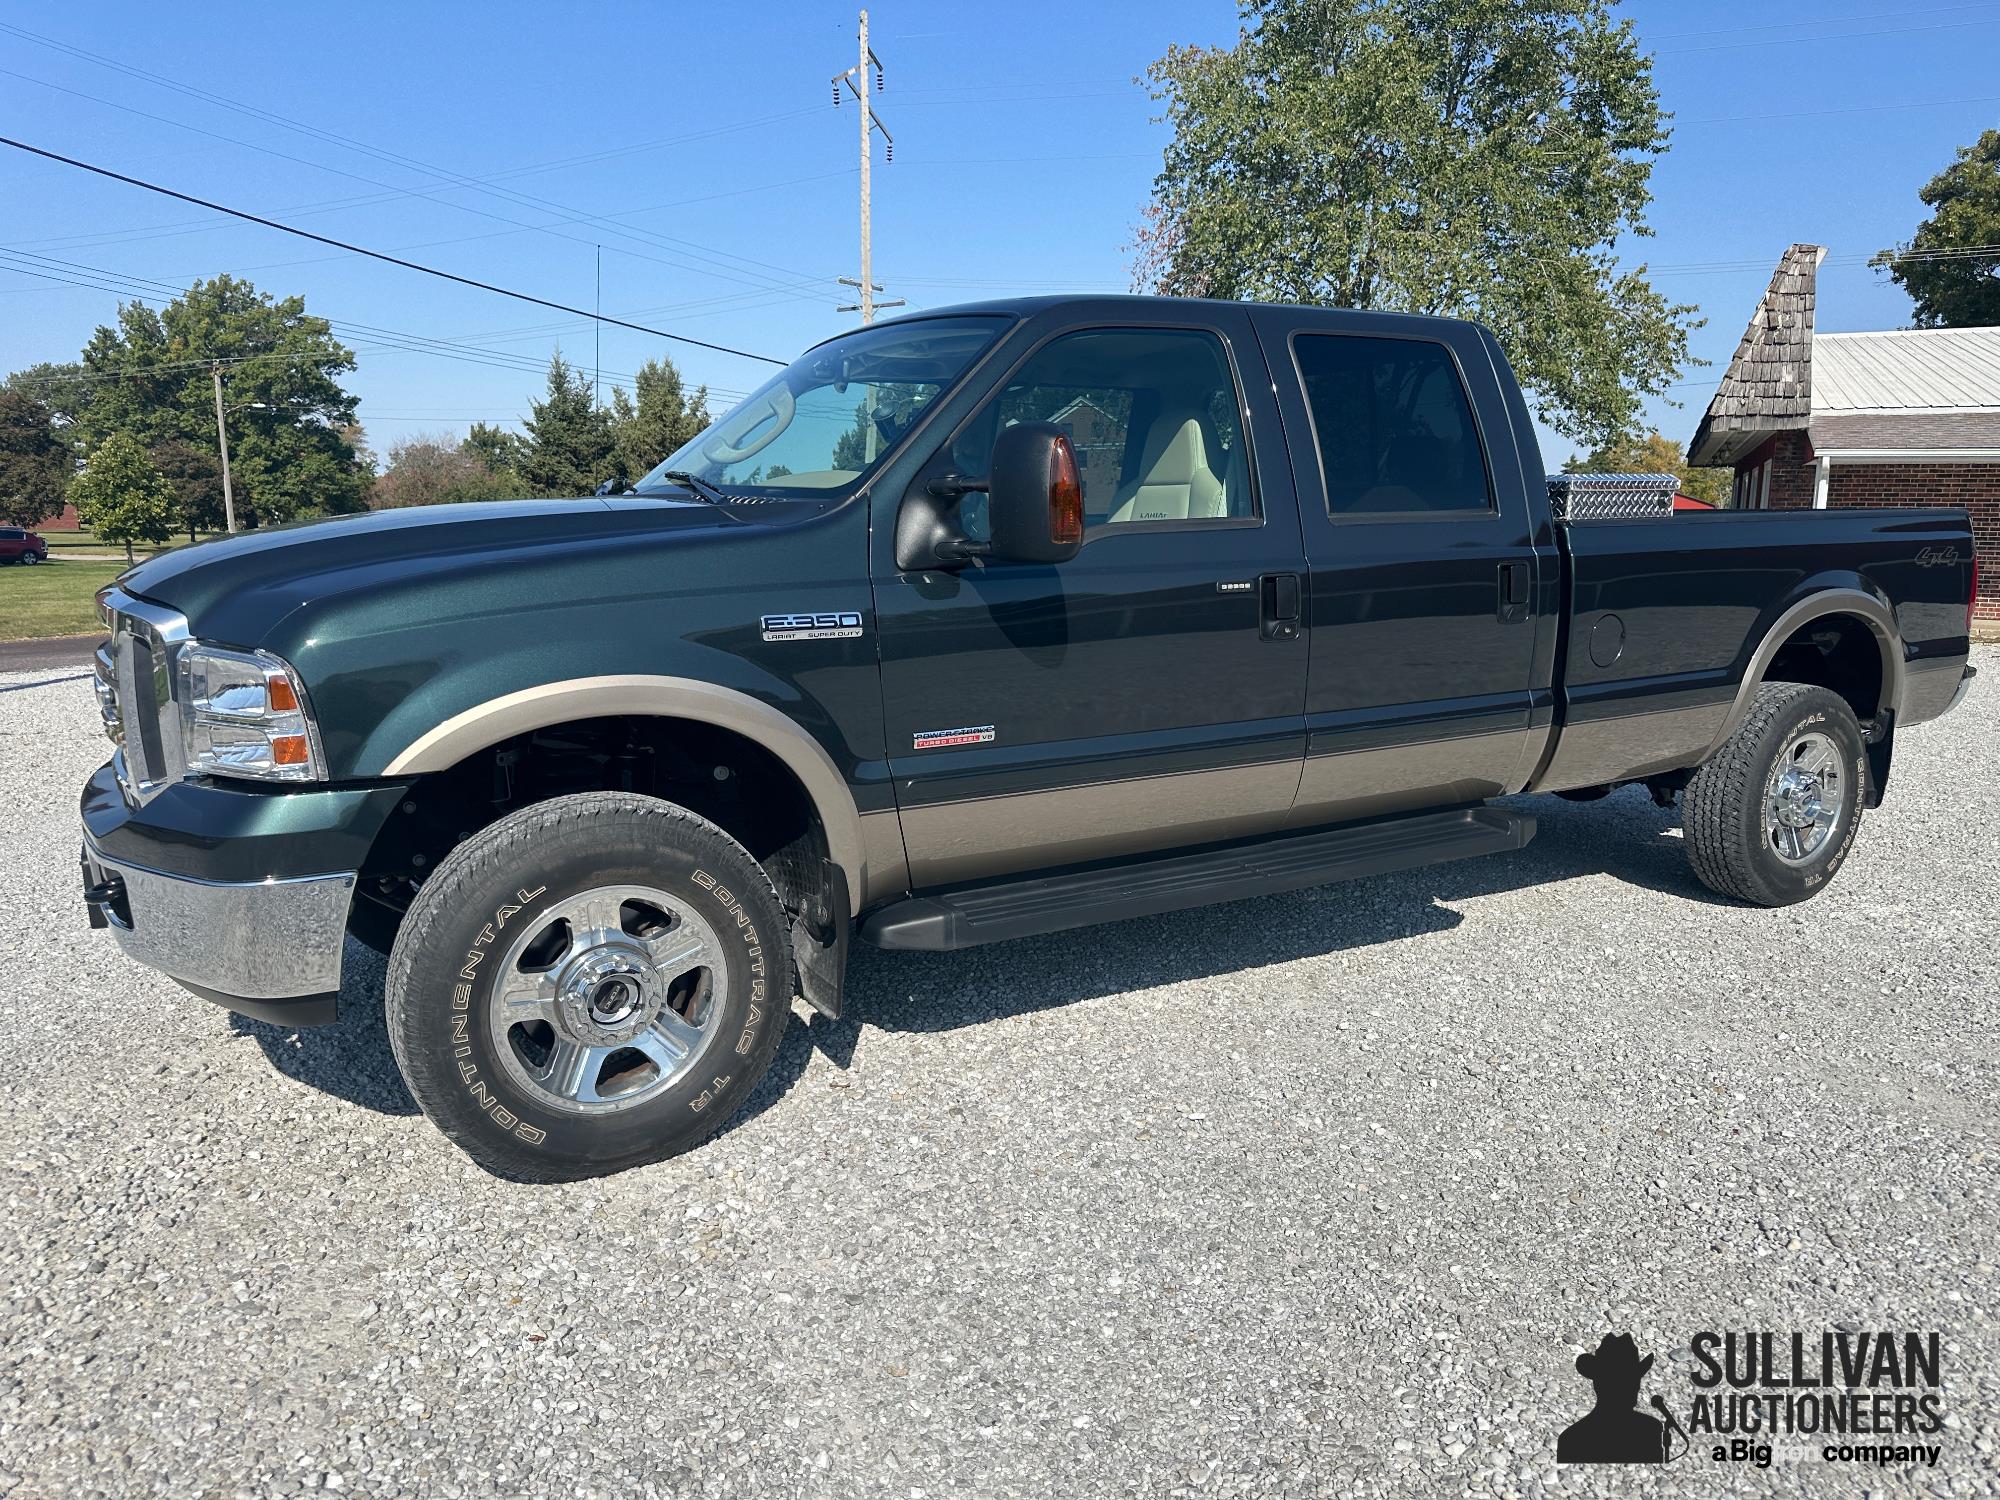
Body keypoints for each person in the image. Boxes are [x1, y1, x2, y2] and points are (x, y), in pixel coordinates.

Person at [1557, 1333, 1668, 1463]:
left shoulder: (1571, 1438)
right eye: (1629, 1381)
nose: (1635, 1387)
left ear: (1596, 1384)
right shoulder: (1649, 1429)